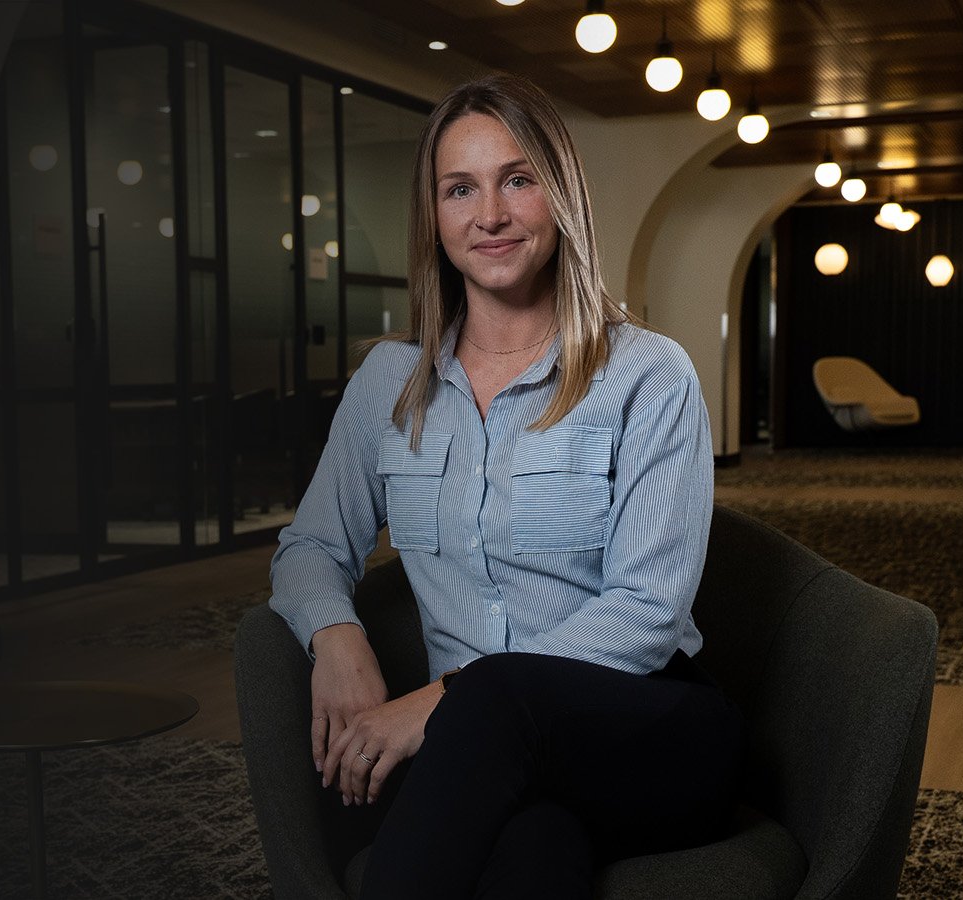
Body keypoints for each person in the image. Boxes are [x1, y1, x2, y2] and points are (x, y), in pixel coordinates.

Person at [267, 73, 742, 899]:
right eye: (461, 188)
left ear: (560, 198)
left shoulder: (646, 374)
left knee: (494, 707)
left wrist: (445, 701)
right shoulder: (390, 381)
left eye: (517, 179)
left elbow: (648, 609)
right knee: (533, 848)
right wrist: (337, 640)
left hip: (646, 731)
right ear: (436, 215)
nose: (489, 214)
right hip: (484, 760)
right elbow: (311, 545)